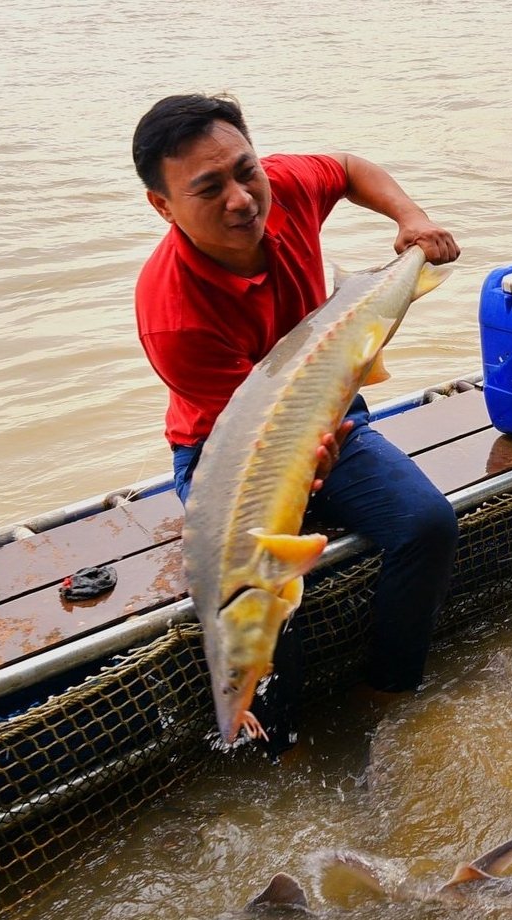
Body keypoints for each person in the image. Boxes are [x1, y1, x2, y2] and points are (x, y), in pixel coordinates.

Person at [131, 93, 460, 746]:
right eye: (209, 188)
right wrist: (313, 452)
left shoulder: (279, 185)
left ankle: (387, 693)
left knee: (427, 525)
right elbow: (256, 438)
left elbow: (347, 167)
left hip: (329, 409)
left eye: (245, 171)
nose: (241, 199)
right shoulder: (171, 315)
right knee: (264, 609)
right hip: (227, 452)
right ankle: (277, 746)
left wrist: (411, 220)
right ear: (163, 206)